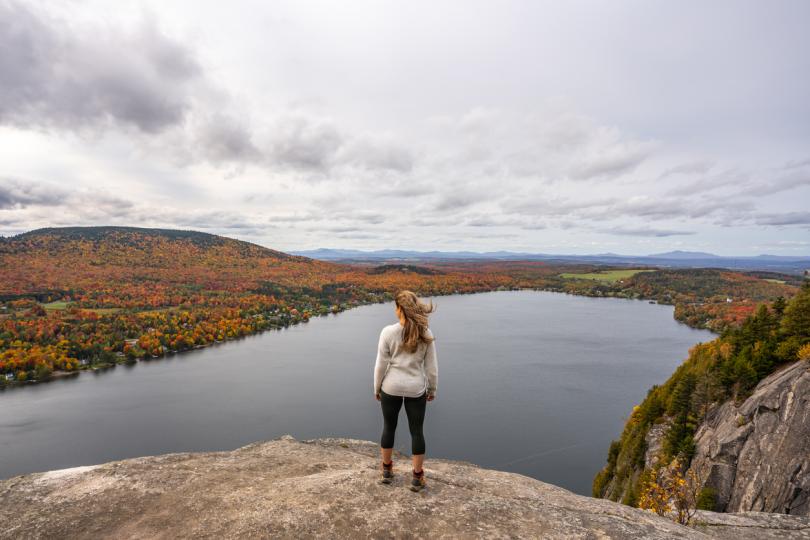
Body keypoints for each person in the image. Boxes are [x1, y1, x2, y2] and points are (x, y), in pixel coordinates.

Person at [373, 290, 438, 492]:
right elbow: (431, 368)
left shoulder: (387, 332)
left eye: (396, 307)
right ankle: (417, 477)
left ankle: (386, 471)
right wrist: (432, 388)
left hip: (390, 387)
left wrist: (377, 387)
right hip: (415, 388)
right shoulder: (425, 334)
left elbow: (380, 365)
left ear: (400, 309)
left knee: (388, 427)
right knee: (417, 431)